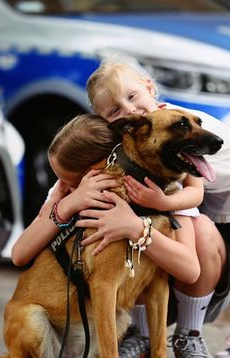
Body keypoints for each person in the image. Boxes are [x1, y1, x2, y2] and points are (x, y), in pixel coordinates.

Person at [86, 60, 230, 358]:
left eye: (133, 97)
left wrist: (161, 203)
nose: (127, 110)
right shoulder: (138, 133)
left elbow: (195, 191)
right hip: (219, 201)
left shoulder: (175, 123)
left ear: (150, 89)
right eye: (113, 111)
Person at [12, 113, 201, 298]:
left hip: (164, 296)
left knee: (203, 228)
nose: (62, 188)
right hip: (98, 305)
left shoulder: (172, 187)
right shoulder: (68, 192)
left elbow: (190, 271)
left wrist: (136, 228)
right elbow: (19, 254)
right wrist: (66, 205)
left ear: (104, 167)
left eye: (70, 182)